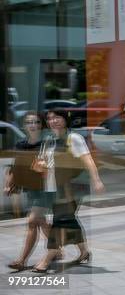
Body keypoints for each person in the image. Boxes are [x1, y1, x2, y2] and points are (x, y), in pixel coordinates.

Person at [31, 109, 105, 273]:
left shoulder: (74, 138)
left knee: (60, 220)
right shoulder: (49, 140)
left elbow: (88, 160)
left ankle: (49, 256)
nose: (53, 121)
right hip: (52, 188)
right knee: (69, 220)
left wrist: (97, 180)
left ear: (65, 120)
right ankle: (84, 252)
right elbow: (39, 164)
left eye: (57, 117)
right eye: (50, 118)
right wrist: (39, 166)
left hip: (72, 187)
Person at [4, 112, 58, 271]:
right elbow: (15, 167)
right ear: (24, 126)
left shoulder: (47, 142)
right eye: (29, 122)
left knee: (32, 221)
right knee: (40, 221)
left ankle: (22, 260)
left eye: (36, 122)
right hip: (31, 189)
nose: (32, 125)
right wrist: (9, 184)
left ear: (41, 125)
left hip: (46, 187)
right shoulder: (21, 144)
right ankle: (58, 249)